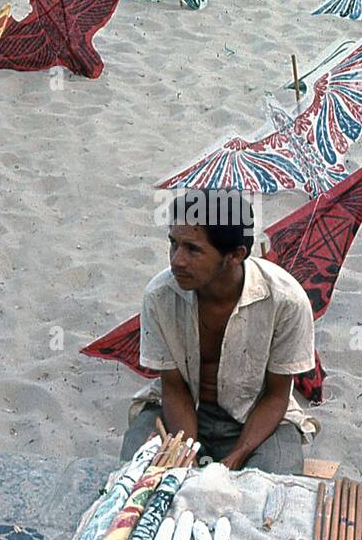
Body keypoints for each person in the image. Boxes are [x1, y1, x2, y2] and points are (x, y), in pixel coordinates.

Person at [119, 188, 315, 474]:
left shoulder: (286, 300)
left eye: (193, 249)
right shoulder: (160, 296)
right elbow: (173, 387)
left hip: (256, 417)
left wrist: (235, 458)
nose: (176, 260)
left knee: (272, 485)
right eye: (174, 243)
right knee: (134, 474)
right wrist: (185, 454)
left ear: (235, 255)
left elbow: (276, 396)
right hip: (181, 410)